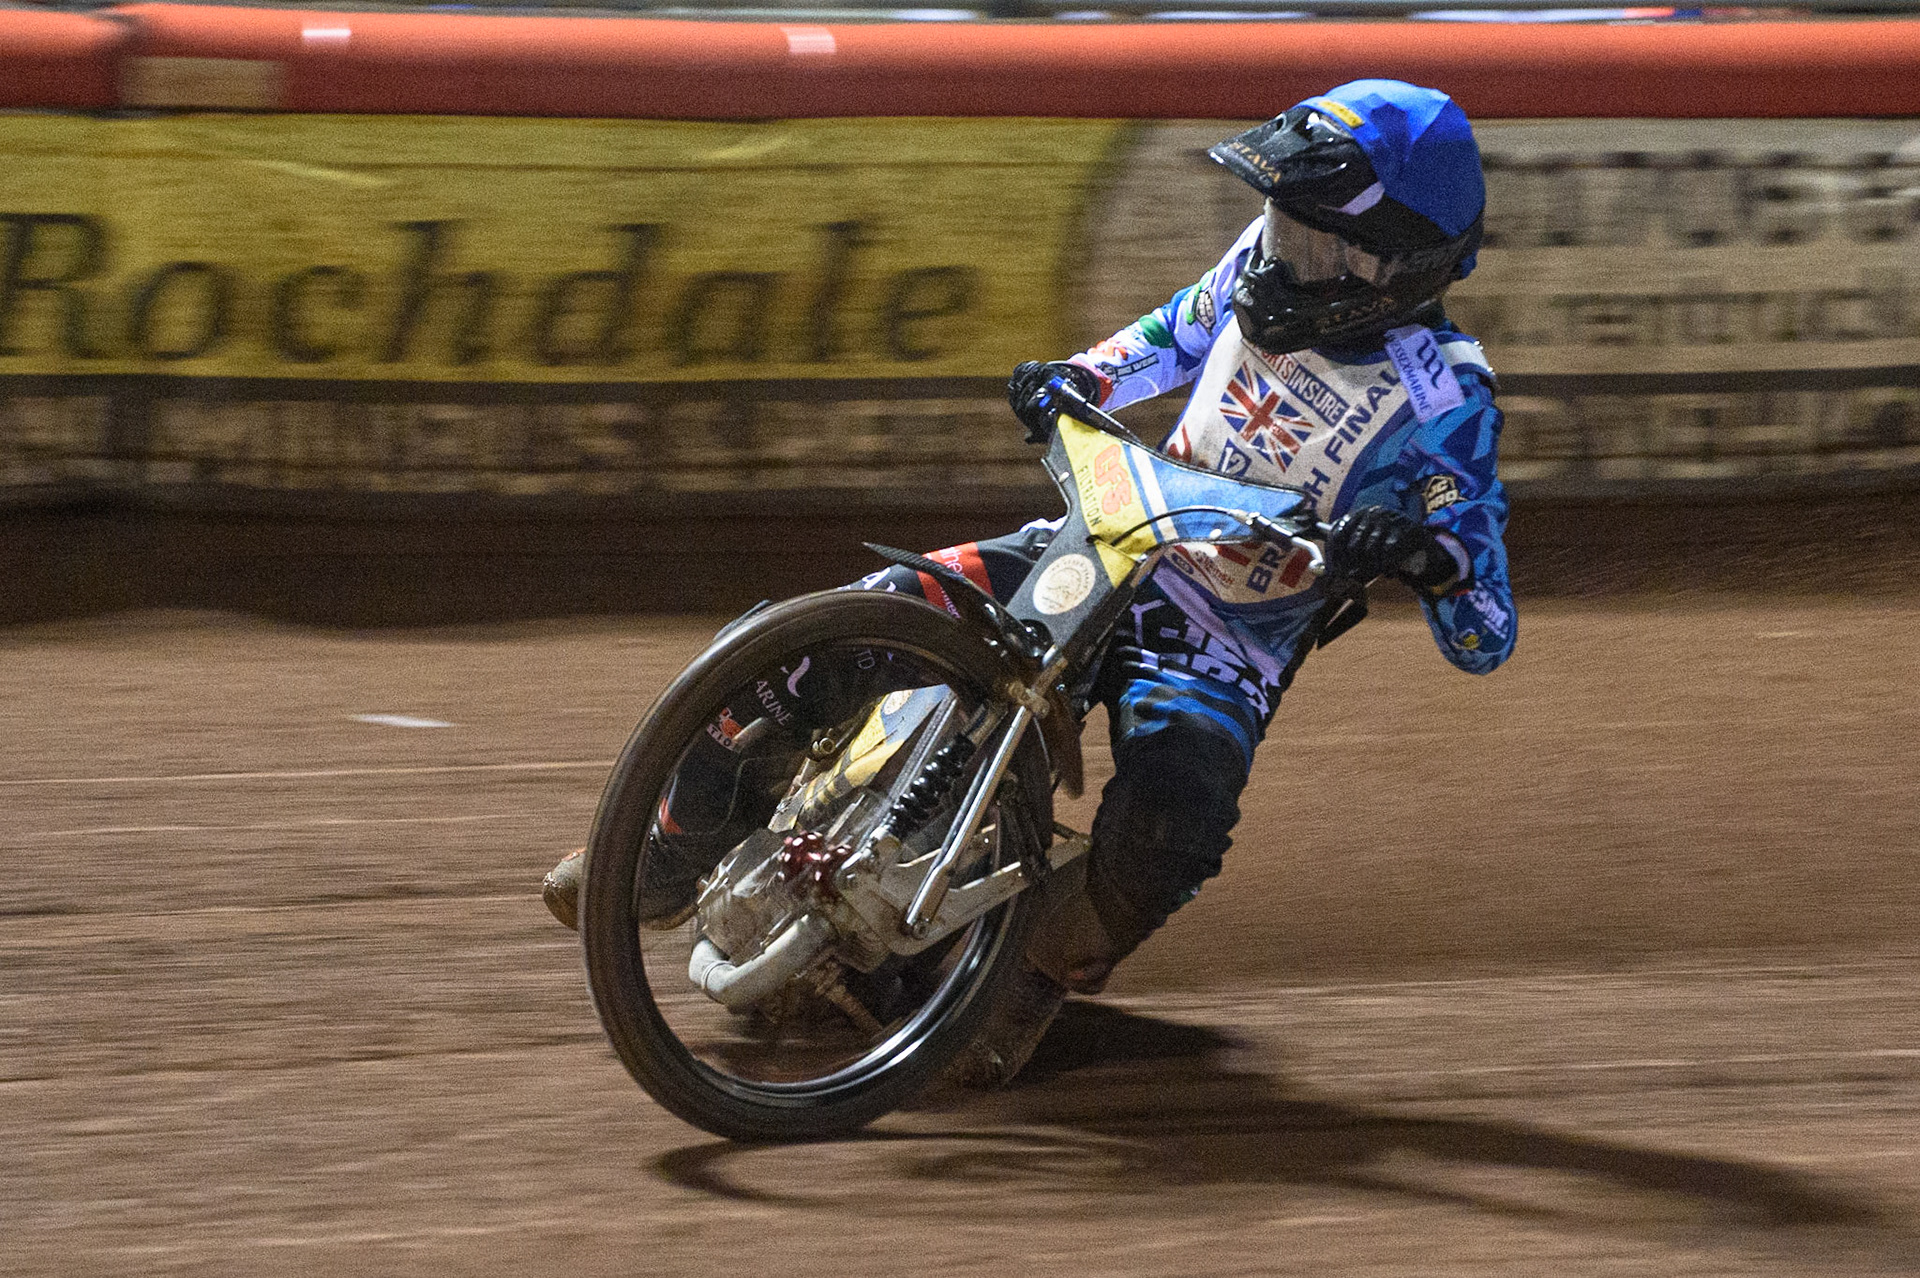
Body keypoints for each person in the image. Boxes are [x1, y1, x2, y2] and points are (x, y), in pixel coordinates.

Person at [543, 79, 1516, 1083]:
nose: (1281, 254)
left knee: (1169, 830)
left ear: (1397, 264)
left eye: (1317, 244)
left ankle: (1018, 984)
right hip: (1104, 538)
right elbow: (1176, 334)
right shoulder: (1260, 261)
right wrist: (1080, 376)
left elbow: (1487, 628)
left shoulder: (1449, 402)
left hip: (1223, 641)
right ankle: (666, 849)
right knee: (848, 626)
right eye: (1280, 221)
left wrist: (1418, 553)